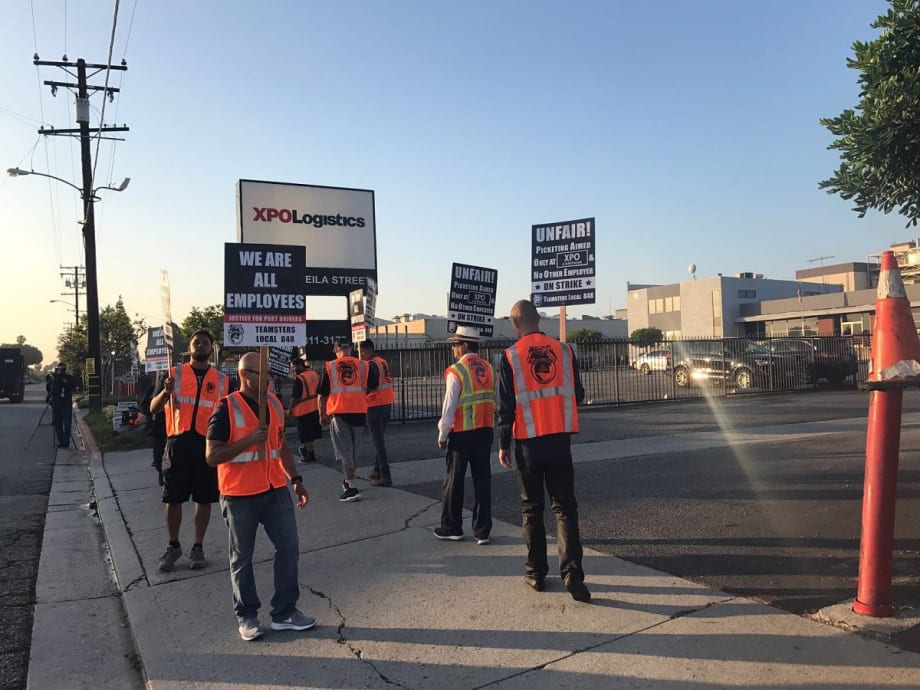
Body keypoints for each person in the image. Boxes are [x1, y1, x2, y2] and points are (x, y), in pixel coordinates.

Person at [205, 351, 315, 641]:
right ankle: (247, 616)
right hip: (239, 494)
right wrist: (248, 441)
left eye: (269, 374)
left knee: (289, 547)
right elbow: (212, 455)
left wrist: (296, 480)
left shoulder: (275, 405)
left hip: (275, 489)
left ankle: (284, 612)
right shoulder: (225, 408)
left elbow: (282, 447)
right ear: (244, 375)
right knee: (242, 558)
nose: (268, 379)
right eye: (262, 374)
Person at [497, 300, 591, 603]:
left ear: (514, 323)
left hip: (528, 445)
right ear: (539, 319)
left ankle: (536, 574)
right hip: (560, 442)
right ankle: (572, 575)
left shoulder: (510, 356)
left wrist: (502, 444)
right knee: (565, 509)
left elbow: (505, 407)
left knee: (531, 510)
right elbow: (578, 393)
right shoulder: (564, 351)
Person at [149, 330, 230, 572]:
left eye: (206, 342)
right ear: (190, 347)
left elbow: (227, 413)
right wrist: (165, 391)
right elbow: (153, 409)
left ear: (211, 348)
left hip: (207, 445)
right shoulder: (173, 374)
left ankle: (198, 546)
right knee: (173, 498)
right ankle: (173, 545)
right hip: (178, 444)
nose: (202, 345)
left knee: (204, 498)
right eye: (197, 342)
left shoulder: (223, 380)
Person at [434, 326, 495, 544]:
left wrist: (443, 433)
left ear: (465, 345)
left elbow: (449, 406)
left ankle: (452, 527)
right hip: (485, 430)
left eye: (455, 345)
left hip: (461, 434)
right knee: (482, 480)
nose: (453, 349)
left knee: (454, 481)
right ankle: (483, 531)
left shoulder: (457, 370)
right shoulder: (489, 368)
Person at [317, 339, 378, 502]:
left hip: (339, 413)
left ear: (337, 350)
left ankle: (351, 487)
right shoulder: (364, 365)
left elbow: (322, 395)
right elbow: (374, 385)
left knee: (345, 452)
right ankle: (348, 480)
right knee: (354, 451)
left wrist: (321, 414)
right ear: (350, 349)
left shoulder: (330, 366)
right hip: (359, 411)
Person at [358, 339, 394, 487]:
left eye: (361, 352)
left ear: (367, 350)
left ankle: (386, 475)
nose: (360, 355)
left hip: (375, 404)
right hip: (386, 402)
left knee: (378, 442)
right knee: (379, 440)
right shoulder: (382, 361)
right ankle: (377, 470)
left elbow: (371, 385)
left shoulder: (370, 364)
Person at [288, 350, 321, 464]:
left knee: (306, 435)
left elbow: (295, 396)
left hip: (304, 411)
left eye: (294, 367)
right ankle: (308, 451)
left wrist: (290, 409)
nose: (293, 369)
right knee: (311, 434)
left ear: (299, 366)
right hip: (316, 407)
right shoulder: (314, 374)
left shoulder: (299, 378)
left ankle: (310, 455)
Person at [140, 372, 168, 486]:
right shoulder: (153, 389)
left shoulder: (180, 388)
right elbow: (144, 408)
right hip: (159, 429)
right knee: (159, 456)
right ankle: (162, 475)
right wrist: (154, 405)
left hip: (175, 429)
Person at [47, 363, 74, 448]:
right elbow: (49, 387)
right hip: (57, 403)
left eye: (62, 369)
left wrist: (62, 379)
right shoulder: (54, 378)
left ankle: (65, 442)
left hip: (66, 403)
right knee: (58, 424)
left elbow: (71, 386)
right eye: (60, 369)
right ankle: (61, 441)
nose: (61, 370)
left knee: (67, 424)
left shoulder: (68, 378)